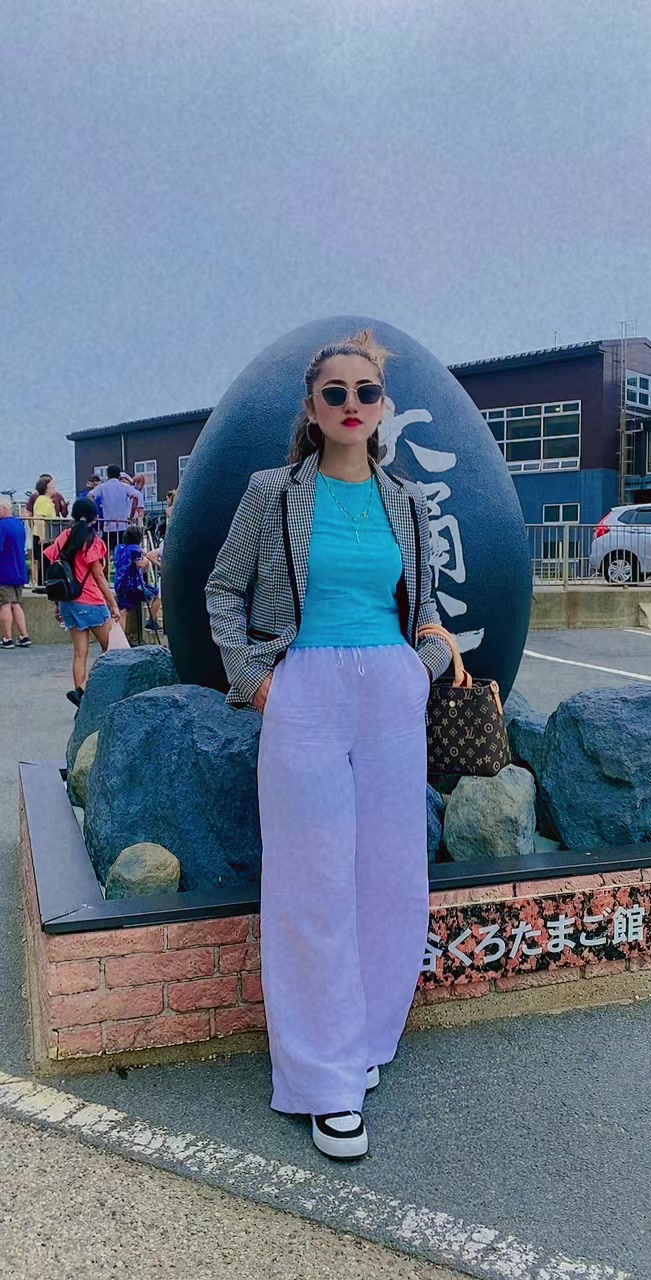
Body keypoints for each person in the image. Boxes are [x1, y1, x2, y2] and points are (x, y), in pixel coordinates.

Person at [206, 329, 453, 1162]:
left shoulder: (407, 501)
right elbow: (222, 588)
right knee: (310, 883)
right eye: (335, 393)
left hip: (390, 693)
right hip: (303, 688)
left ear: (382, 406)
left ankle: (364, 1040)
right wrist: (258, 680)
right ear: (311, 409)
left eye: (365, 392)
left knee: (390, 877)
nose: (352, 404)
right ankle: (323, 1081)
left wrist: (420, 669)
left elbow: (423, 607)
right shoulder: (272, 492)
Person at [44, 497, 120, 706]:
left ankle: (82, 697)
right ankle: (87, 689)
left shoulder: (63, 537)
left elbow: (56, 569)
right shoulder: (94, 541)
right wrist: (113, 604)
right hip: (91, 601)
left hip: (68, 601)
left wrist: (58, 605)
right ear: (95, 518)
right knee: (111, 649)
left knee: (80, 653)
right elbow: (99, 576)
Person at [113, 526, 161, 633]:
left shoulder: (118, 549)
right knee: (157, 595)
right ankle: (151, 621)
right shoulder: (135, 550)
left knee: (123, 611)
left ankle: (121, 637)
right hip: (135, 584)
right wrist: (146, 559)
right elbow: (141, 564)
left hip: (120, 583)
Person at [0, 497, 31, 648]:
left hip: (4, 571)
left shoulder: (2, 526)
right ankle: (24, 635)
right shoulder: (19, 524)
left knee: (5, 604)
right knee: (15, 604)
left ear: (4, 509)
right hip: (19, 570)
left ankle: (7, 638)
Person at [92, 464, 137, 554]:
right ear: (119, 475)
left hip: (108, 526)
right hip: (123, 525)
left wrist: (93, 512)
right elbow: (135, 497)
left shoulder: (102, 487)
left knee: (105, 552)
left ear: (107, 475)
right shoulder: (124, 486)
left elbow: (90, 496)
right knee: (123, 552)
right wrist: (131, 515)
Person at [29, 477, 57, 587]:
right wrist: (42, 536)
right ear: (45, 488)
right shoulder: (42, 500)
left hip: (48, 535)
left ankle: (46, 582)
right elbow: (39, 518)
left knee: (47, 561)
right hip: (42, 536)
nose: (54, 489)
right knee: (43, 561)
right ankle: (42, 583)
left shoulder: (48, 500)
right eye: (52, 487)